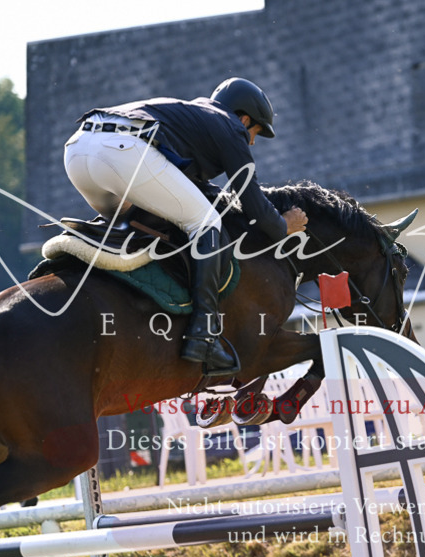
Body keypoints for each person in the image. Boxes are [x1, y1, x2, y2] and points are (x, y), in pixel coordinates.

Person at [64, 77, 308, 375]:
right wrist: (284, 225)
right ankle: (203, 337)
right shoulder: (230, 126)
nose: (253, 142)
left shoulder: (192, 118)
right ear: (244, 119)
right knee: (206, 223)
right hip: (120, 152)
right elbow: (252, 200)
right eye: (255, 132)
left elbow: (187, 185)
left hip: (77, 151)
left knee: (136, 228)